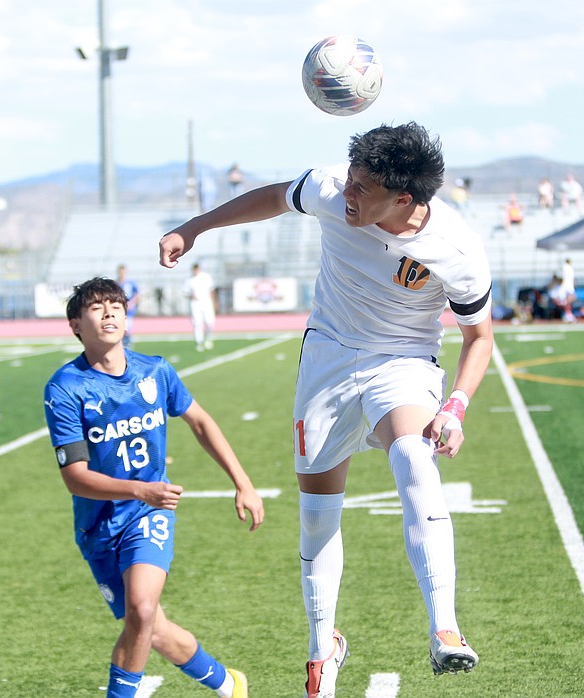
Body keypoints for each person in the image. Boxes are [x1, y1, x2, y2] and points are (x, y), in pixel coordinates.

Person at [159, 122, 493, 696]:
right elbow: (273, 197)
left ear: (405, 199)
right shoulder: (330, 189)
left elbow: (479, 336)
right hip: (328, 360)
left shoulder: (457, 251)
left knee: (415, 461)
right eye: (351, 182)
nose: (349, 197)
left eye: (364, 189)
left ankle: (446, 628)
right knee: (318, 510)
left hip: (404, 361)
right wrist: (195, 228)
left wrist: (455, 407)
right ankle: (323, 649)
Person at [43, 277, 263, 698]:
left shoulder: (156, 371)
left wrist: (243, 483)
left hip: (149, 514)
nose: (108, 312)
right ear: (75, 324)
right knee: (152, 627)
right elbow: (75, 478)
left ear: (127, 317)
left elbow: (200, 422)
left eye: (116, 305)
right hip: (99, 524)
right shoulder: (65, 387)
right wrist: (138, 490)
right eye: (96, 307)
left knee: (142, 609)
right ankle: (229, 684)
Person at [183, 263, 217, 351]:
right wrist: (192, 296)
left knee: (210, 322)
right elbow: (185, 292)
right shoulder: (189, 280)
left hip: (206, 302)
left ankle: (208, 338)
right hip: (195, 304)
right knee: (197, 323)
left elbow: (212, 290)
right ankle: (199, 342)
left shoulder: (206, 277)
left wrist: (215, 302)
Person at [116, 264, 139, 347]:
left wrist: (132, 304)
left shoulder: (131, 283)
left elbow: (137, 295)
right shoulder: (116, 283)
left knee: (127, 327)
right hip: (119, 309)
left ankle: (127, 343)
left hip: (128, 310)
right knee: (119, 327)